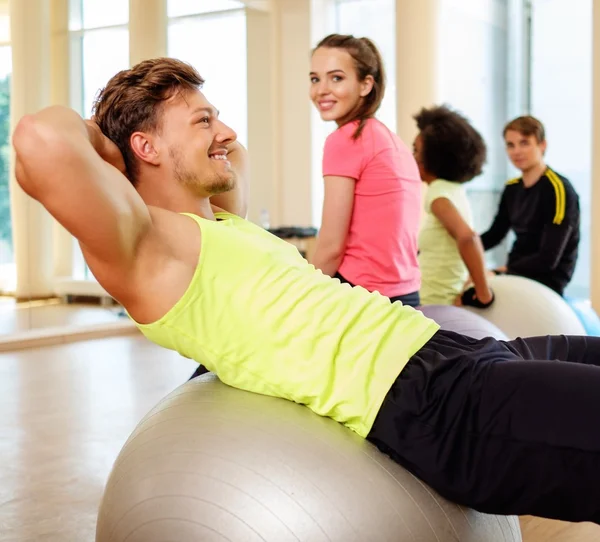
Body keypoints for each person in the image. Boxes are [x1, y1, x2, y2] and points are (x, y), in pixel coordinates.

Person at [13, 58, 600, 524]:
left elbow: (232, 154)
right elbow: (41, 140)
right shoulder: (147, 250)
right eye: (203, 120)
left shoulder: (220, 218)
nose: (227, 132)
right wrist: (116, 148)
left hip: (457, 352)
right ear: (144, 148)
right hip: (435, 401)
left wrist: (172, 131)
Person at [309, 34, 421, 307]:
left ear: (365, 84)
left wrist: (303, 296)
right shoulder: (389, 140)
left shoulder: (345, 139)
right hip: (406, 294)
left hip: (363, 296)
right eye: (315, 78)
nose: (322, 89)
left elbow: (331, 246)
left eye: (336, 78)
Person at [480, 115, 580, 296]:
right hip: (515, 273)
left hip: (547, 280)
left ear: (542, 145)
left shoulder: (559, 189)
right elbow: (495, 234)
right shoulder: (512, 188)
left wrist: (502, 271)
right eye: (510, 145)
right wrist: (461, 247)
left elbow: (549, 259)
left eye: (524, 143)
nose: (516, 151)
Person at [413, 105, 493, 308]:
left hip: (432, 304)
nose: (412, 157)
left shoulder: (438, 194)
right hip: (436, 301)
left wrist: (483, 293)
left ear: (433, 157)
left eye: (416, 150)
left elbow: (468, 237)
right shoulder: (454, 190)